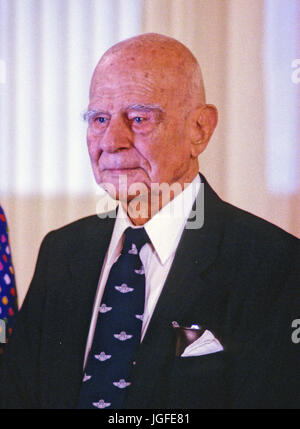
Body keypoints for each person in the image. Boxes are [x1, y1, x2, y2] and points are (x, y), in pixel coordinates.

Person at [0, 33, 299, 409]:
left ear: (199, 130)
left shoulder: (276, 266)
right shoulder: (61, 252)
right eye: (99, 119)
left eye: (138, 118)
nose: (111, 140)